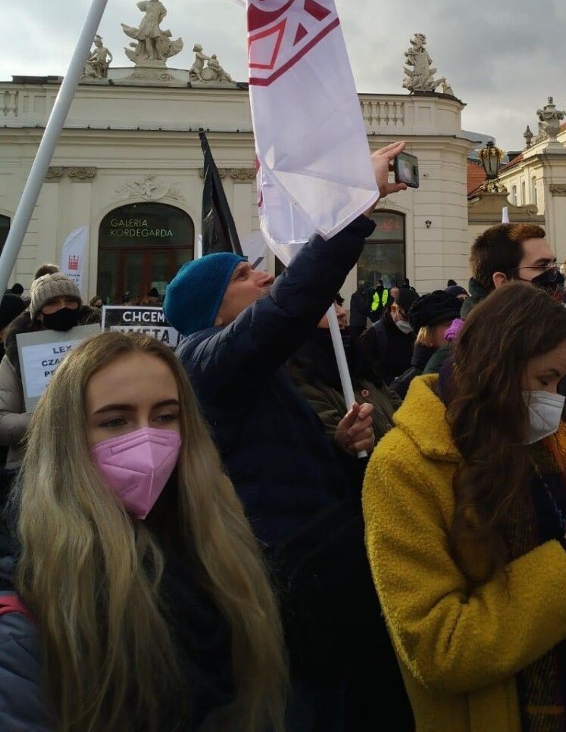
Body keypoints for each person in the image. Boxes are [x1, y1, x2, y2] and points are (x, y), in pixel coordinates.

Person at [162, 141, 409, 732]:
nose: (264, 279)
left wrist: (336, 448)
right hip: (288, 586)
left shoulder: (245, 367)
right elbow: (290, 309)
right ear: (212, 307)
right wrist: (356, 205)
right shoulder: (206, 359)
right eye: (246, 276)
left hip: (315, 574)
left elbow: (272, 457)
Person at [362, 281, 566, 732]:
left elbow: (552, 556)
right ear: (496, 367)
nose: (553, 398)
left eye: (559, 381)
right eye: (545, 379)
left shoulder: (518, 430)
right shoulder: (402, 468)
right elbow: (439, 647)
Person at [0, 331, 287, 730]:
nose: (147, 442)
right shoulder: (25, 625)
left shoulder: (219, 556)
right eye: (115, 421)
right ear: (68, 437)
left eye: (165, 416)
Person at [0, 273, 100, 476]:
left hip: (92, 465)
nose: (63, 307)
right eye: (52, 302)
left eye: (71, 301)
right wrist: (51, 415)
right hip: (32, 468)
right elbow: (3, 423)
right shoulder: (14, 355)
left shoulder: (101, 346)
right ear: (38, 313)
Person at [287, 300, 401, 443]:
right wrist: (347, 443)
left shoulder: (357, 362)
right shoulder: (302, 381)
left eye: (338, 303)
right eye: (327, 306)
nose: (341, 312)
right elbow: (328, 442)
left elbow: (396, 404)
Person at [358, 286, 418, 383]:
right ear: (394, 309)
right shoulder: (373, 335)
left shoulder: (414, 333)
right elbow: (363, 372)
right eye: (406, 318)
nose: (410, 324)